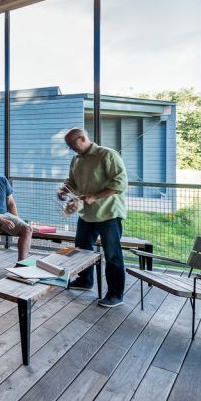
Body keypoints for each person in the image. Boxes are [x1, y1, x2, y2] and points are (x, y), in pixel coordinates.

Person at [61, 128, 128, 308]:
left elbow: (120, 183)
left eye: (72, 145)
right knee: (82, 250)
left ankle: (116, 295)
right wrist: (63, 190)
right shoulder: (76, 159)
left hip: (109, 213)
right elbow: (72, 183)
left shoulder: (107, 155)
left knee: (112, 255)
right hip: (86, 214)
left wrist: (95, 197)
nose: (70, 149)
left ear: (82, 138)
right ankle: (85, 281)